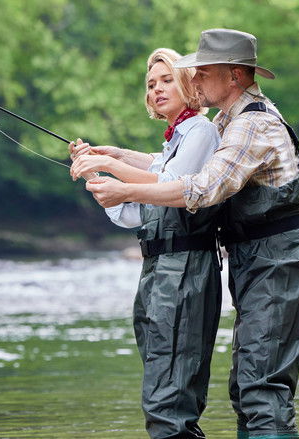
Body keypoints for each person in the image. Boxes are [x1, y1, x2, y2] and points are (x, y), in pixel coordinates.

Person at [75, 29, 299, 439]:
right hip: (260, 260)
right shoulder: (228, 121)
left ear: (234, 76)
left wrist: (124, 188)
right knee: (248, 387)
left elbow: (202, 187)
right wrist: (118, 156)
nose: (194, 80)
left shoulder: (251, 126)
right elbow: (170, 162)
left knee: (261, 387)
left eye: (203, 72)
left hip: (283, 259)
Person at [70, 48, 223, 439]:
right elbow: (134, 212)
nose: (157, 89)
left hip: (185, 268)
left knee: (169, 396)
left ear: (189, 83)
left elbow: (173, 183)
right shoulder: (176, 138)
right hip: (157, 271)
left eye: (167, 79)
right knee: (161, 381)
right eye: (151, 84)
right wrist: (101, 178)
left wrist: (114, 169)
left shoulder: (201, 131)